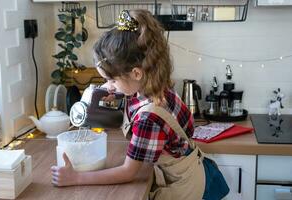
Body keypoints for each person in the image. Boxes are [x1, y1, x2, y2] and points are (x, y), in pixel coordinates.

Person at [51, 9, 229, 200]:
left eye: (111, 80)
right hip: (194, 167)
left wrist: (75, 178)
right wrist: (115, 93)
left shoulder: (148, 118)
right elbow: (188, 128)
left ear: (136, 73)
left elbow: (128, 172)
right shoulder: (161, 89)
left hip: (183, 187)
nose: (107, 86)